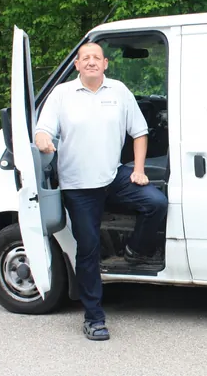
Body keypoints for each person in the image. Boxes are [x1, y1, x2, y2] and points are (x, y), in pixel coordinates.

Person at [34, 42, 168, 341]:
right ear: (77, 65)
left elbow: (139, 132)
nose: (91, 62)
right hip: (78, 186)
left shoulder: (118, 91)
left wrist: (139, 170)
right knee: (89, 249)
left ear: (105, 63)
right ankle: (93, 317)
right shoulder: (62, 94)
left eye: (96, 57)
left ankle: (135, 251)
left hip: (113, 176)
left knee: (156, 203)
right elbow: (43, 130)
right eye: (85, 58)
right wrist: (42, 140)